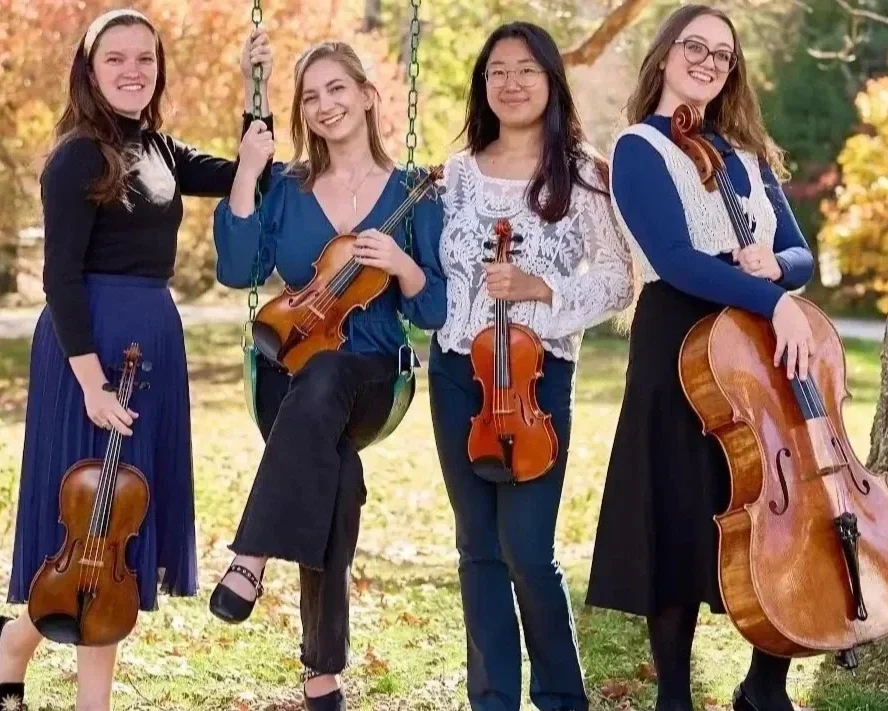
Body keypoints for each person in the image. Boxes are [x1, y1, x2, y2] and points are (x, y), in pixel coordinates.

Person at [0, 9, 274, 710]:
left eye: (145, 59)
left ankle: (72, 690)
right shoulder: (76, 156)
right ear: (89, 71)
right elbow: (59, 277)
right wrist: (91, 383)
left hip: (150, 343)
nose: (132, 70)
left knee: (113, 540)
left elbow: (251, 168)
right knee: (83, 526)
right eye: (116, 58)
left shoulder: (160, 150)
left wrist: (256, 87)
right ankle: (13, 645)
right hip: (86, 354)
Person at [585, 5, 816, 711]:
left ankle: (764, 685)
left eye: (723, 54)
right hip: (678, 344)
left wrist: (773, 268)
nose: (709, 62)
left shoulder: (745, 154)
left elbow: (803, 252)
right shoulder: (637, 149)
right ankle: (675, 696)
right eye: (696, 46)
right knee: (679, 513)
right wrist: (768, 295)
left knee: (777, 510)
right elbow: (676, 258)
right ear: (664, 55)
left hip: (756, 349)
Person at [208, 40, 446, 711]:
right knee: (331, 475)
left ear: (368, 96)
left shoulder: (411, 192)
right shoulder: (284, 187)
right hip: (286, 368)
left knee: (332, 376)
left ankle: (250, 557)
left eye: (337, 88)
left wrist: (402, 265)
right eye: (311, 96)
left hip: (374, 375)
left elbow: (433, 307)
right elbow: (238, 270)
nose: (325, 105)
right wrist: (246, 172)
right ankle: (323, 676)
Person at [429, 22, 634, 711]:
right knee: (477, 546)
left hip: (539, 375)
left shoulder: (580, 171)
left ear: (551, 81)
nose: (510, 83)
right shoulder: (454, 175)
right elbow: (436, 277)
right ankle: (491, 699)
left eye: (525, 70)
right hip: (459, 371)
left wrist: (544, 289)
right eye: (497, 72)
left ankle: (560, 697)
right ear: (483, 86)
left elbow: (615, 279)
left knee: (527, 547)